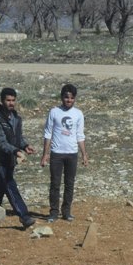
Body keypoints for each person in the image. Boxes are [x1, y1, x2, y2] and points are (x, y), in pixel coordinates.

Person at [0, 87, 37, 229]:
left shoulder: (16, 118)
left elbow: (18, 137)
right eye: (8, 100)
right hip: (0, 160)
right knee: (10, 186)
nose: (11, 103)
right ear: (2, 101)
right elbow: (1, 142)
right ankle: (24, 216)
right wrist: (16, 151)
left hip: (11, 159)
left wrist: (25, 146)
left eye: (13, 100)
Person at [40, 84, 88, 223]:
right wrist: (45, 154)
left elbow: (80, 135)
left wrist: (84, 154)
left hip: (72, 153)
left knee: (69, 183)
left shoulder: (78, 114)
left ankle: (66, 212)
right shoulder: (54, 112)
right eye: (66, 97)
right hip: (57, 153)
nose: (69, 100)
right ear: (62, 97)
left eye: (72, 98)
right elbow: (48, 133)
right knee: (55, 183)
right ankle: (53, 212)